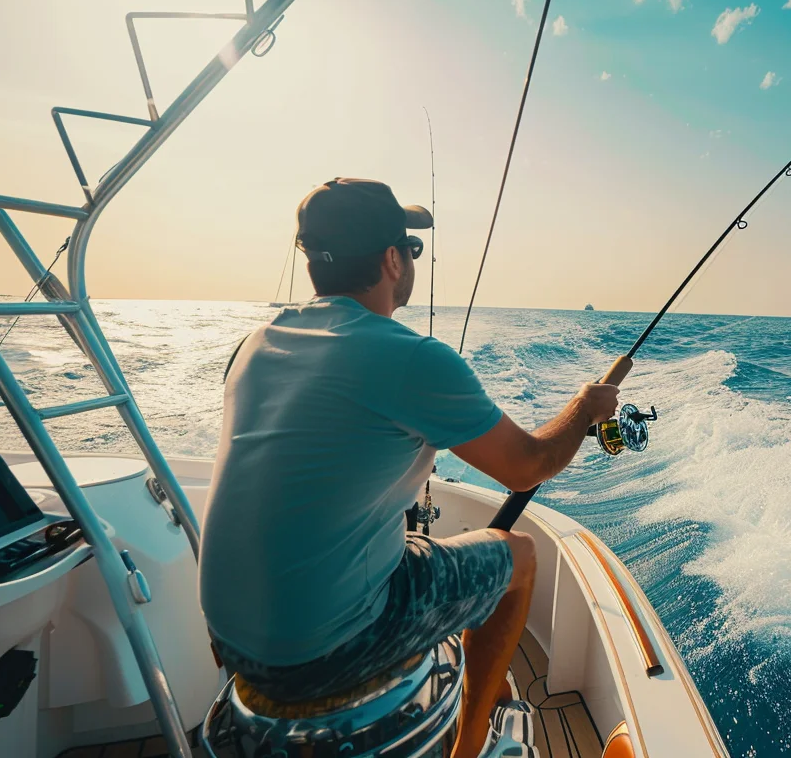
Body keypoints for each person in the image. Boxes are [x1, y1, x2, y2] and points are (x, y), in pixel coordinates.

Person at [198, 178, 618, 758]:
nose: (412, 259)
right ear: (393, 260)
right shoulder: (410, 357)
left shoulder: (255, 343)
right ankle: (469, 746)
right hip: (323, 653)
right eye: (411, 248)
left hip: (229, 637)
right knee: (519, 556)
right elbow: (529, 466)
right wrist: (585, 406)